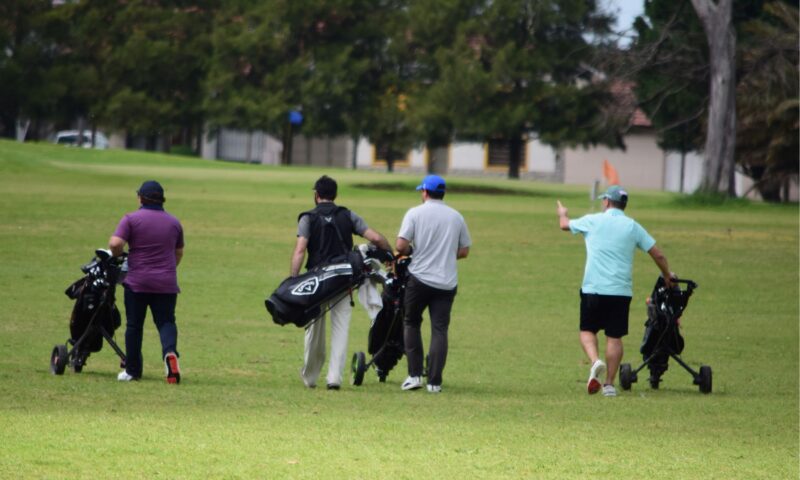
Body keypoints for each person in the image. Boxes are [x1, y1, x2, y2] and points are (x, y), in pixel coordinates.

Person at [557, 185, 674, 397]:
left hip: (593, 288)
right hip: (620, 291)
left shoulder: (593, 220)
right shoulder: (632, 226)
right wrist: (667, 275)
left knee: (587, 330)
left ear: (607, 202)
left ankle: (595, 361)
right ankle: (609, 385)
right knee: (614, 337)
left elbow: (564, 225)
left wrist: (562, 213)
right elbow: (657, 254)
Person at [291, 175, 391, 390]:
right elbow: (375, 238)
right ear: (335, 195)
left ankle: (310, 377)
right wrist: (389, 251)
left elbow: (300, 250)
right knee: (341, 329)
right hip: (343, 280)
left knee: (314, 331)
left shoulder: (307, 218)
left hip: (317, 282)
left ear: (316, 195)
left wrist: (293, 279)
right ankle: (334, 379)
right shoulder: (347, 215)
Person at [396, 175, 471, 393]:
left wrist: (413, 251)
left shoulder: (415, 213)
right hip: (446, 282)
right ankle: (435, 382)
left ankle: (414, 375)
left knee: (411, 322)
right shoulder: (456, 217)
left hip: (419, 279)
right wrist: (445, 255)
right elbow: (464, 251)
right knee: (440, 329)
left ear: (425, 192)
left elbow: (400, 246)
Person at [109, 180, 184, 384]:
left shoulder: (131, 219)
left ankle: (132, 371)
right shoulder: (174, 223)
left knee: (134, 326)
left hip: (137, 282)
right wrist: (166, 270)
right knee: (166, 322)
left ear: (140, 198)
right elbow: (178, 252)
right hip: (166, 283)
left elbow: (115, 243)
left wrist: (118, 255)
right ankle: (170, 353)